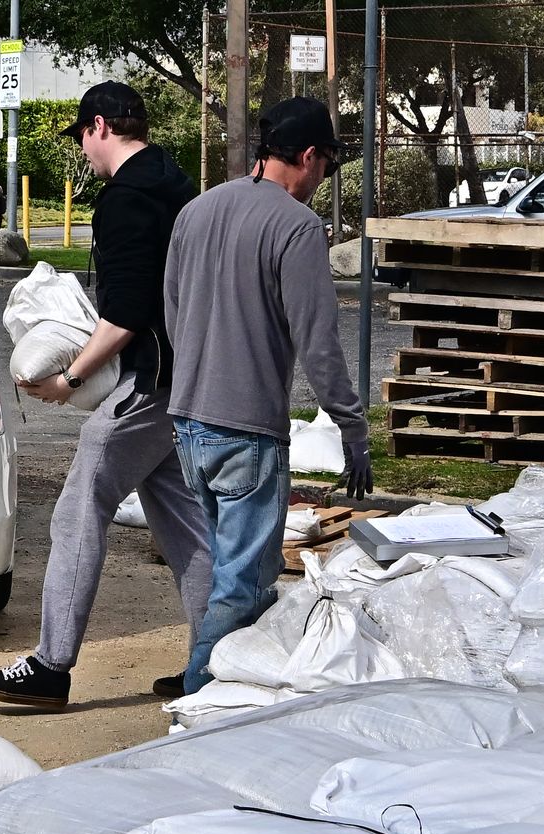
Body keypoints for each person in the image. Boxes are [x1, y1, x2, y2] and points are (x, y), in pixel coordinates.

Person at [0, 81, 210, 711]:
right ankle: (218, 662)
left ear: (99, 126)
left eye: (81, 136)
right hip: (184, 376)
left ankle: (51, 667)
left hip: (147, 382)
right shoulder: (176, 184)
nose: (83, 149)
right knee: (184, 525)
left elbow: (127, 312)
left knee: (78, 508)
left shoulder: (125, 201)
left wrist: (70, 379)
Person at [163, 97, 374, 694]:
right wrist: (353, 431)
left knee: (227, 568)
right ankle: (201, 697)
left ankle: (227, 685)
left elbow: (174, 314)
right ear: (309, 156)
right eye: (326, 165)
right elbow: (320, 342)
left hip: (188, 422)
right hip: (247, 430)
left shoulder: (197, 211)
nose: (322, 179)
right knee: (245, 583)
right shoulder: (298, 226)